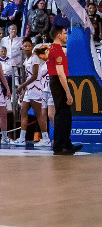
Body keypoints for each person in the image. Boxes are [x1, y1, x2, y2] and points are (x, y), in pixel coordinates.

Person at [46, 27, 81, 155]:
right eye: (65, 33)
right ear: (58, 35)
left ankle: (63, 144)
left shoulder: (52, 49)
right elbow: (60, 73)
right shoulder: (57, 49)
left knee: (63, 113)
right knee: (63, 114)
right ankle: (61, 145)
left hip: (55, 81)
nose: (66, 35)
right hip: (58, 81)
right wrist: (67, 92)